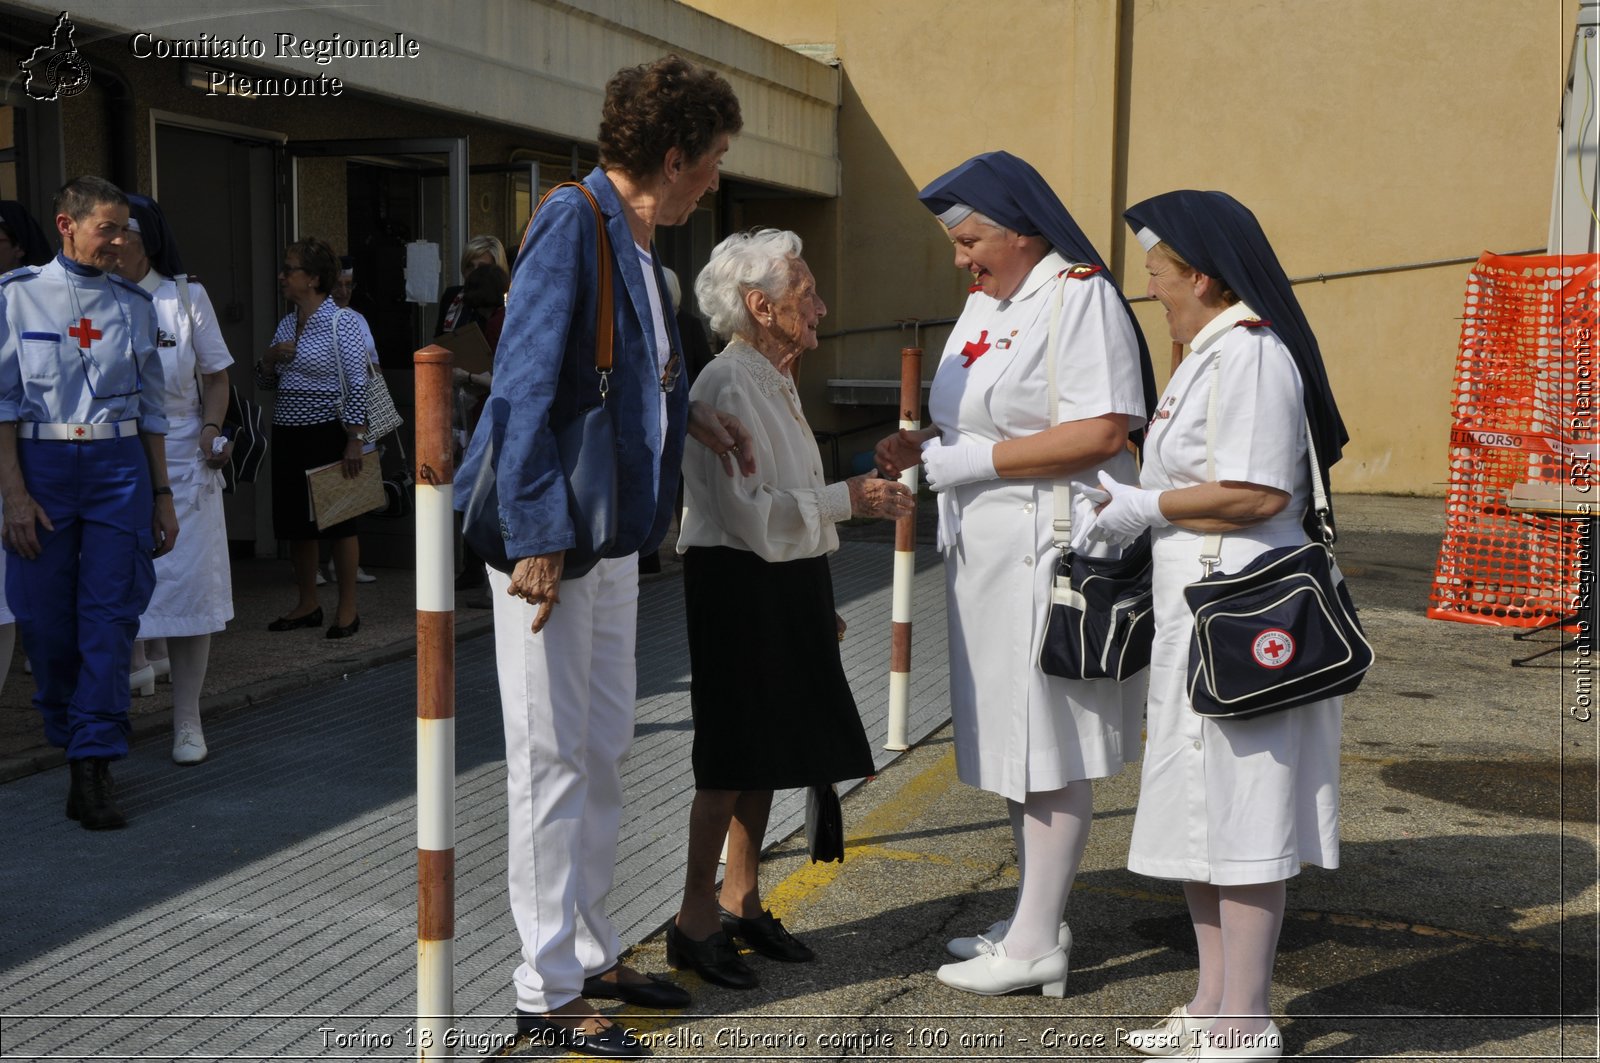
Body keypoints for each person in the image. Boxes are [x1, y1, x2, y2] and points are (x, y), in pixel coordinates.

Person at [455, 55, 750, 1058]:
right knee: (549, 761)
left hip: (613, 539)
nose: (714, 177)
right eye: (709, 160)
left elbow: (637, 378)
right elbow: (522, 385)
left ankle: (587, 947)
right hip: (557, 546)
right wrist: (535, 529)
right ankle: (544, 993)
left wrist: (691, 429)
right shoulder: (571, 224)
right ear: (672, 156)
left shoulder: (635, 241)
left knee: (603, 749)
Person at [873, 151, 1155, 997]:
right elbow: (970, 418)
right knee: (1007, 741)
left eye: (970, 240)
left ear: (1024, 232)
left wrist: (977, 461)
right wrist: (923, 447)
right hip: (983, 554)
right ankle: (1036, 911)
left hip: (1046, 550)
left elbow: (1107, 429)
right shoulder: (988, 300)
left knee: (1049, 745)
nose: (961, 258)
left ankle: (1036, 942)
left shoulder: (1079, 294)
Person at [1083, 190, 1348, 1061]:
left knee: (1244, 814)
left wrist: (1144, 504)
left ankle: (1249, 1017)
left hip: (1243, 621)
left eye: (1157, 272)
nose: (1150, 286)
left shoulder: (1253, 355)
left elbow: (1261, 491)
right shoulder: (1208, 352)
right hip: (1197, 616)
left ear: (1199, 273)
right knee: (1200, 817)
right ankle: (1210, 1003)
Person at [670, 229, 912, 989]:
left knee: (771, 748)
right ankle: (693, 918)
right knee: (729, 756)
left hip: (779, 579)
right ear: (759, 306)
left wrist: (820, 596)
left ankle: (741, 897)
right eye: (806, 294)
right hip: (736, 583)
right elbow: (752, 512)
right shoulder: (727, 384)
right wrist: (853, 498)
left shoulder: (772, 377)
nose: (822, 306)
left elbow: (785, 512)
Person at [0, 175, 176, 829]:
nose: (121, 239)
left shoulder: (135, 304)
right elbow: (1, 406)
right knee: (43, 621)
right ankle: (71, 729)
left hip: (119, 468)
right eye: (108, 227)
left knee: (111, 615)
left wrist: (162, 495)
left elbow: (153, 409)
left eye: (125, 228)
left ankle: (94, 762)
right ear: (67, 223)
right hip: (42, 466)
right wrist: (13, 494)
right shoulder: (16, 298)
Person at [116, 194, 234, 765]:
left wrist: (212, 429)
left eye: (123, 231)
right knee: (110, 593)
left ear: (147, 238)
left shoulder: (186, 297)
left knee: (188, 594)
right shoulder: (92, 297)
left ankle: (187, 720)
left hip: (186, 461)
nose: (113, 242)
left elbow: (216, 376)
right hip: (113, 456)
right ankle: (107, 712)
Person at [256, 237, 368, 640]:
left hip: (328, 432)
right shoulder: (287, 323)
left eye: (291, 269)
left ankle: (348, 610)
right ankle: (308, 604)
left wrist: (355, 437)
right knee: (296, 524)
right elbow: (266, 382)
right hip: (288, 430)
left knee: (339, 521)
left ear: (314, 279)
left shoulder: (344, 322)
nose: (283, 276)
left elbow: (358, 382)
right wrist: (268, 360)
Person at [319, 259, 380, 588]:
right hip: (325, 414)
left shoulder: (358, 320)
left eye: (349, 285)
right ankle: (314, 561)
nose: (343, 291)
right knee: (319, 486)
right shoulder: (313, 320)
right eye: (337, 284)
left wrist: (379, 410)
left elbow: (374, 368)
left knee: (353, 487)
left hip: (358, 412)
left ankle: (343, 563)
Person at [432, 234, 508, 337]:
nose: (474, 273)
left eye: (482, 267)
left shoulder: (505, 303)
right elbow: (439, 339)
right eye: (470, 266)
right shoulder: (452, 296)